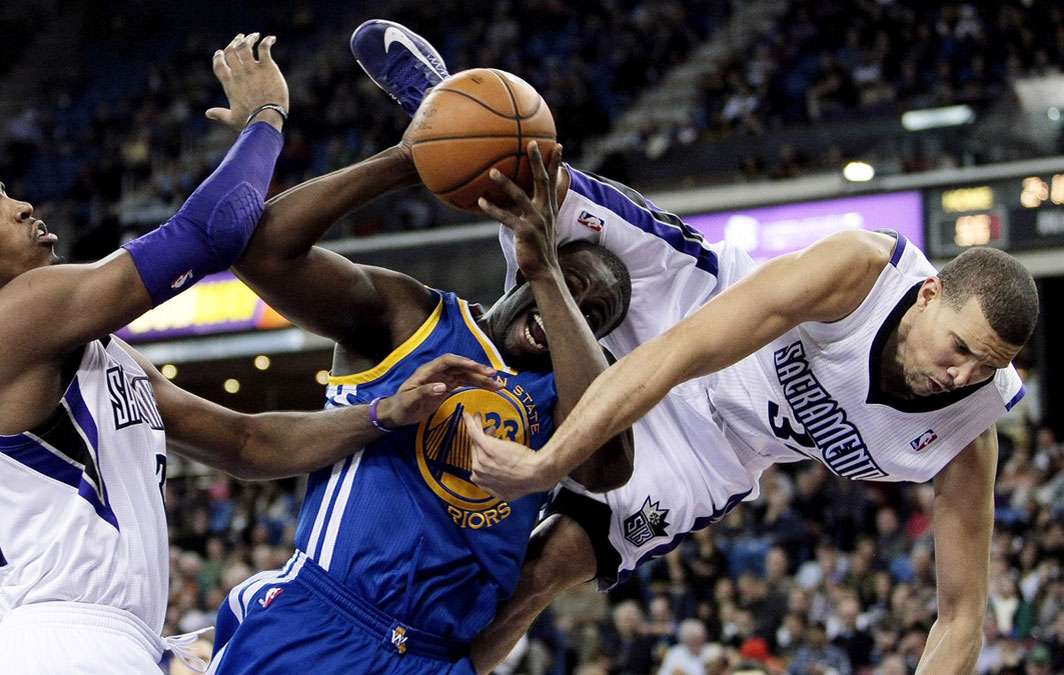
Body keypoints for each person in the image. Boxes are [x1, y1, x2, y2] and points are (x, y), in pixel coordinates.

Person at [352, 20, 1039, 674]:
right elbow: (682, 350)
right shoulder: (858, 270)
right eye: (960, 348)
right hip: (691, 306)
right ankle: (446, 112)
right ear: (927, 294)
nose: (963, 374)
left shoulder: (965, 432)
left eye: (987, 367)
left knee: (540, 576)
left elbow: (960, 615)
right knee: (529, 182)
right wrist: (548, 463)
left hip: (712, 454)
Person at [0, 33, 499, 674]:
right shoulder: (0, 323)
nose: (20, 206)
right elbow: (205, 234)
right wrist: (267, 116)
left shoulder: (97, 355)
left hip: (109, 641)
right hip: (64, 642)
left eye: (9, 193)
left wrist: (383, 413)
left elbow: (247, 446)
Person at [204, 133, 634, 671]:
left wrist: (552, 275)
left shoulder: (575, 399)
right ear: (521, 266)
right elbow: (262, 252)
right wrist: (407, 160)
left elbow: (607, 470)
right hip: (326, 619)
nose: (572, 306)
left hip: (434, 657)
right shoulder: (411, 317)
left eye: (591, 315)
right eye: (571, 284)